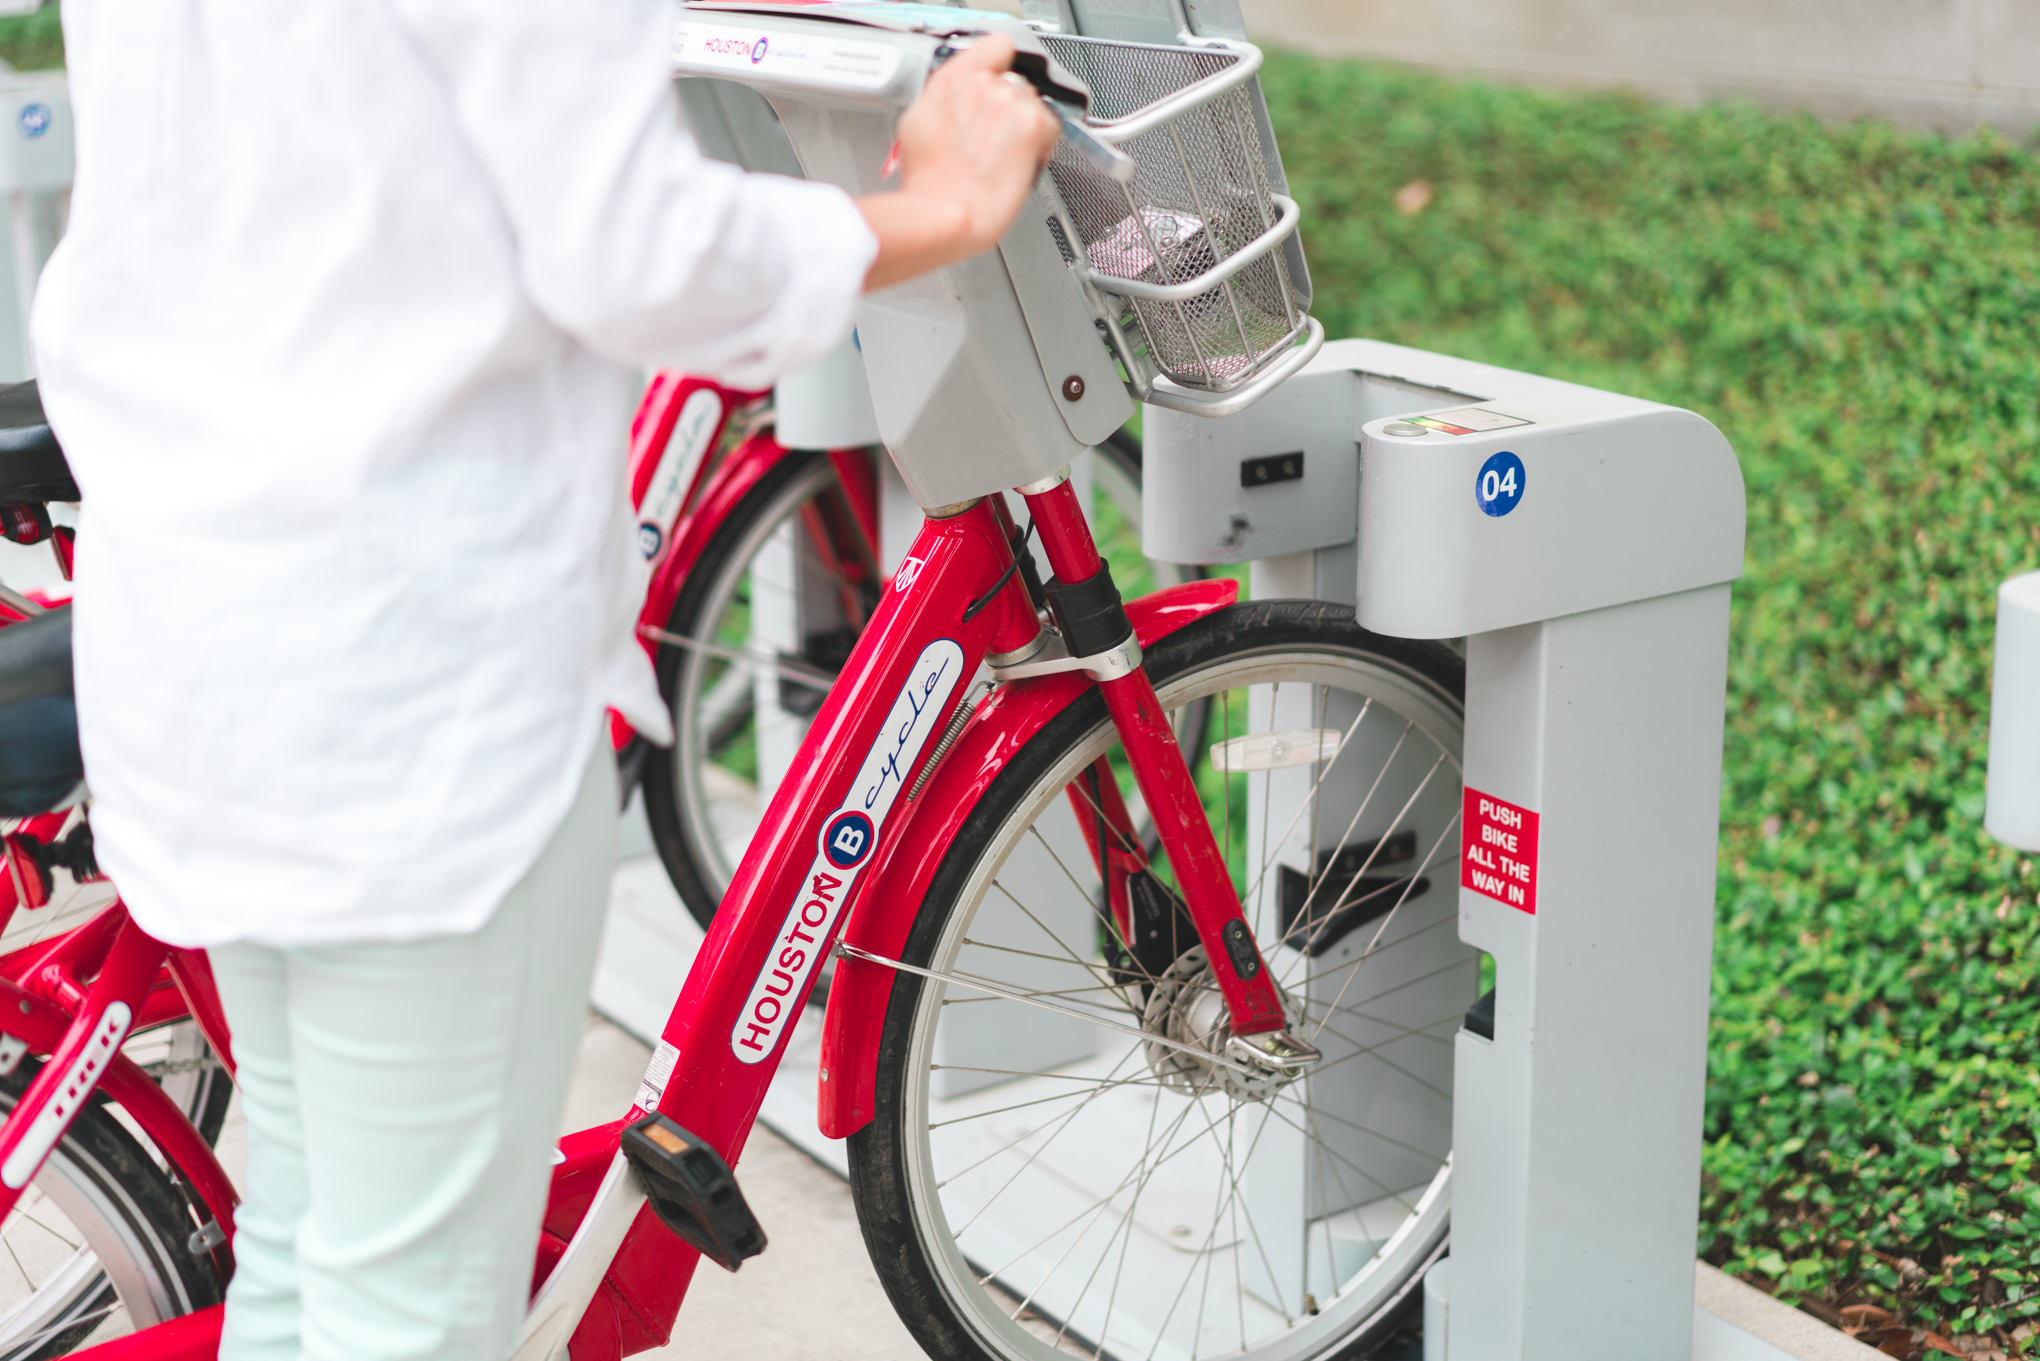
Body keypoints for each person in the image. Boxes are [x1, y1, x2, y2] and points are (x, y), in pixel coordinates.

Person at [30, 0, 1058, 1356]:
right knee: (409, 1311)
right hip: (417, 684)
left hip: (205, 627)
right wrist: (941, 201)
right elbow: (637, 253)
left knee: (302, 1256)